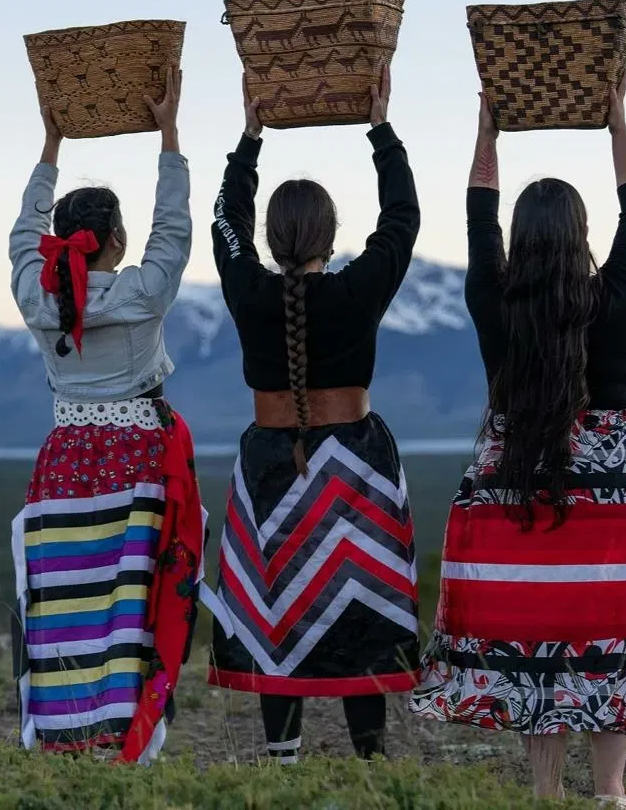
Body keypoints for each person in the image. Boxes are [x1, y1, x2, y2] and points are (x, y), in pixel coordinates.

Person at [409, 73, 626, 809]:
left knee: (538, 645)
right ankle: (612, 793)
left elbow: (476, 214)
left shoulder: (494, 296)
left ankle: (546, 792)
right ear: (584, 236)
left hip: (516, 478)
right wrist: (617, 119)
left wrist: (486, 133)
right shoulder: (624, 290)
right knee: (610, 646)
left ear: (518, 241)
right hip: (621, 493)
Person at [206, 68, 421, 763]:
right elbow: (403, 218)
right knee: (357, 607)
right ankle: (370, 758)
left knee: (278, 607)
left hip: (269, 459)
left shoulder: (244, 285)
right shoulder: (359, 289)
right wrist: (380, 127)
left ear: (270, 239)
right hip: (357, 459)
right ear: (334, 235)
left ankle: (282, 760)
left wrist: (249, 137)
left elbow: (223, 222)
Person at [8, 69, 205, 764]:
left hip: (64, 460)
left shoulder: (37, 298)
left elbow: (21, 236)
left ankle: (64, 730)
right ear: (118, 239)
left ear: (61, 239)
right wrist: (169, 134)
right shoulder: (143, 293)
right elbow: (175, 227)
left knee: (68, 596)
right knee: (134, 601)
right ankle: (128, 733)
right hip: (139, 463)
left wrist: (50, 142)